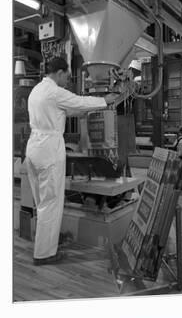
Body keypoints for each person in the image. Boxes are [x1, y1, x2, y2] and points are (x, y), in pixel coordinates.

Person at [25, 57, 117, 265]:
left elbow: (67, 109)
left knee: (42, 202)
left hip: (33, 148)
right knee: (51, 203)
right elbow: (79, 101)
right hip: (49, 148)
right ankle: (44, 254)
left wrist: (86, 111)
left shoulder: (37, 91)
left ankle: (48, 241)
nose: (68, 78)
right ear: (59, 72)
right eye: (66, 74)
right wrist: (107, 100)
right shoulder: (55, 92)